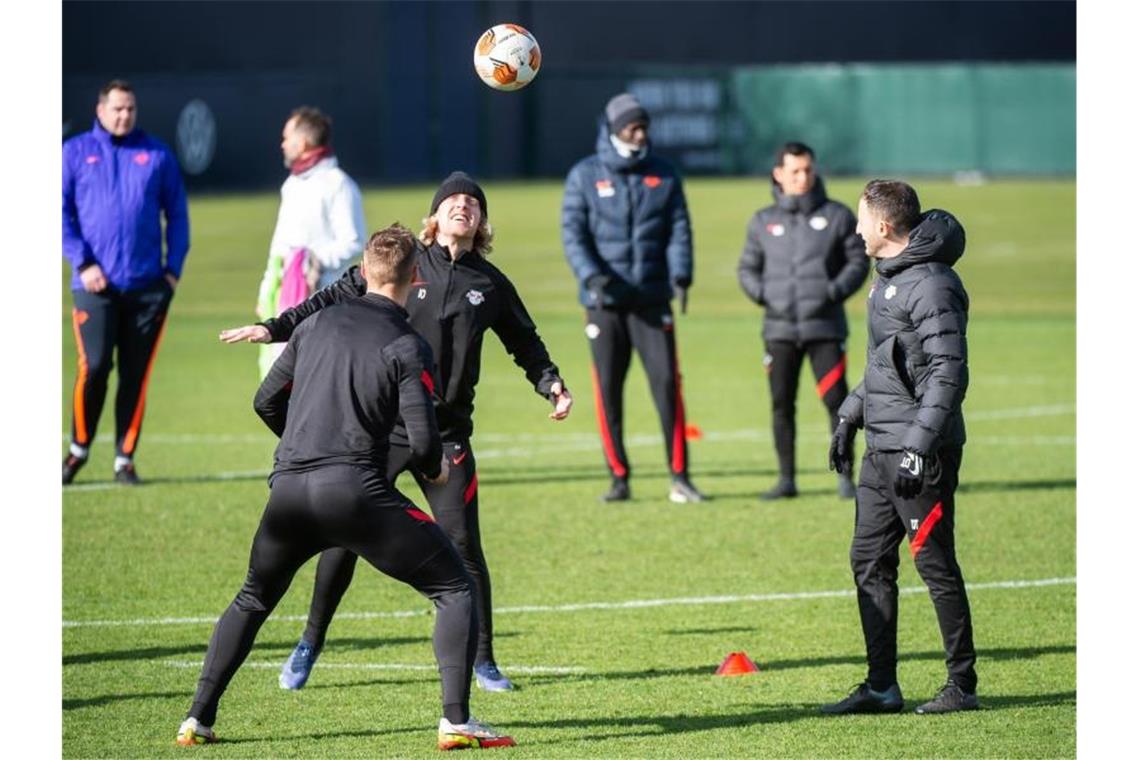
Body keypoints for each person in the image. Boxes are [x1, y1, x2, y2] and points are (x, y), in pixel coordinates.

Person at [219, 171, 572, 693]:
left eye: (473, 202)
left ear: (482, 223)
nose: (463, 205)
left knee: (463, 547)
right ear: (434, 216)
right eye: (452, 199)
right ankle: (310, 641)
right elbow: (329, 299)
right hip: (382, 433)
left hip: (446, 435)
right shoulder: (405, 265)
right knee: (341, 539)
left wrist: (552, 384)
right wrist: (274, 327)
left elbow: (526, 341)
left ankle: (484, 660)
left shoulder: (489, 284)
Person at [176, 224, 515, 751]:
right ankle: (456, 720)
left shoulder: (312, 325)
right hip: (355, 492)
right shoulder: (407, 343)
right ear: (414, 276)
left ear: (363, 271)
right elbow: (424, 441)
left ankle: (198, 716)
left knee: (252, 598)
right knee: (453, 588)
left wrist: (301, 444)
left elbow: (265, 399)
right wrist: (435, 471)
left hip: (287, 491)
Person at [822, 180, 978, 715]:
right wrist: (848, 415)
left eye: (861, 219)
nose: (856, 228)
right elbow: (887, 366)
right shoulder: (885, 280)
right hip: (879, 447)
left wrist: (918, 447)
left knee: (934, 565)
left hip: (917, 453)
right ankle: (881, 686)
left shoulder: (931, 285)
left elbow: (948, 373)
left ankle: (962, 685)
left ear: (884, 226)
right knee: (868, 560)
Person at [561, 92, 705, 504]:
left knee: (666, 386)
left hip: (651, 299)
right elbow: (574, 234)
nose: (640, 134)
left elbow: (679, 228)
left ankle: (680, 476)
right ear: (612, 129)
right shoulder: (584, 175)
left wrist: (682, 273)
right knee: (608, 390)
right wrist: (591, 276)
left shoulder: (664, 173)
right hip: (603, 303)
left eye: (644, 127)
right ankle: (619, 477)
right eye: (631, 127)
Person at [62, 79, 190, 486]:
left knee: (136, 374)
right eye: (117, 108)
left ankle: (124, 459)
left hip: (148, 288)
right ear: (100, 110)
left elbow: (179, 216)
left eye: (130, 108)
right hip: (94, 286)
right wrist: (83, 264)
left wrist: (172, 271)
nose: (124, 115)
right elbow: (59, 214)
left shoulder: (156, 154)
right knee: (96, 366)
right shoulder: (74, 153)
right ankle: (78, 449)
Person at [736, 142, 869, 500]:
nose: (803, 177)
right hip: (778, 330)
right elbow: (747, 269)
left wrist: (831, 292)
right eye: (795, 171)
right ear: (778, 174)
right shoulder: (763, 221)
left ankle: (845, 479)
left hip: (824, 328)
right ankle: (786, 480)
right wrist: (765, 295)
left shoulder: (838, 216)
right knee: (782, 404)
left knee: (838, 404)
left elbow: (858, 261)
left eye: (808, 170)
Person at [254, 106, 367, 378]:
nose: (282, 144)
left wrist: (314, 260)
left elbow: (354, 241)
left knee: (320, 376)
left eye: (286, 137)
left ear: (302, 142)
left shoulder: (338, 184)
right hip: (286, 300)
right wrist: (266, 288)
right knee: (280, 378)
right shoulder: (292, 184)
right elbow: (280, 245)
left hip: (326, 300)